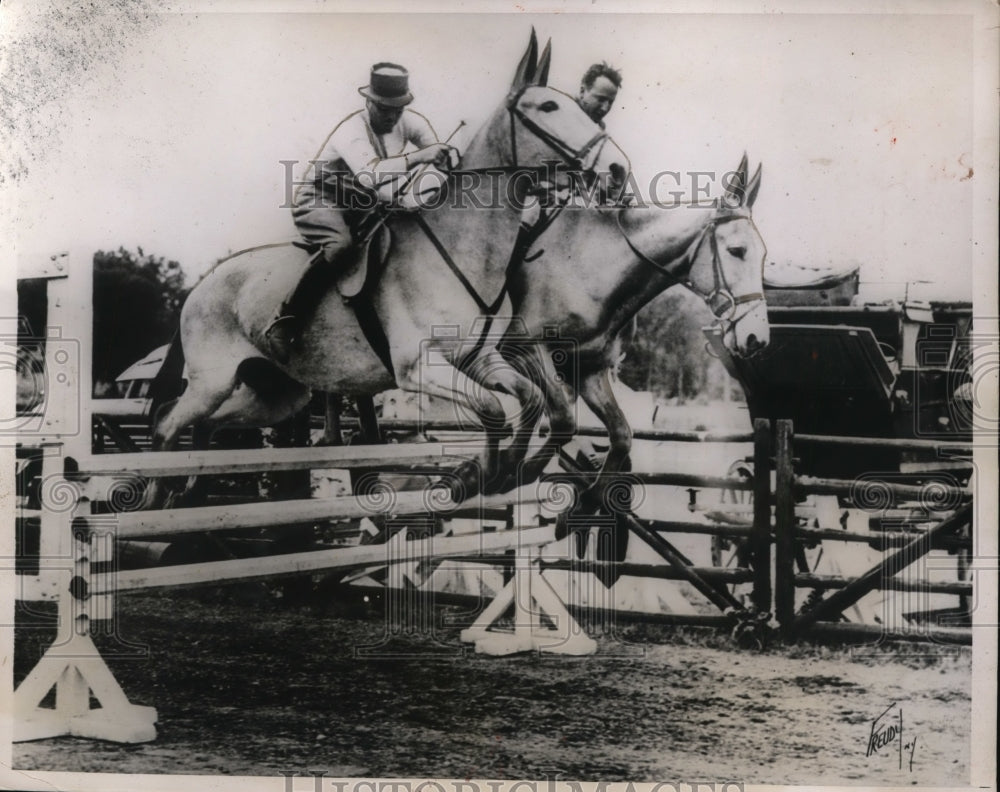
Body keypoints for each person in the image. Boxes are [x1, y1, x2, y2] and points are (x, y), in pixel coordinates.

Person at [266, 62, 458, 362]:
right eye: (384, 109)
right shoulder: (351, 130)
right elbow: (370, 175)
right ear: (368, 101)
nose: (392, 116)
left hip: (363, 201)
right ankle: (284, 319)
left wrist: (447, 160)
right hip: (320, 197)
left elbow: (437, 155)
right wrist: (421, 156)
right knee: (340, 247)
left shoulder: (410, 122)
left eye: (398, 109)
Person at [576, 62, 622, 128]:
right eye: (601, 99)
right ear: (582, 92)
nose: (605, 109)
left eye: (610, 103)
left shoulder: (598, 130)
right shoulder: (561, 116)